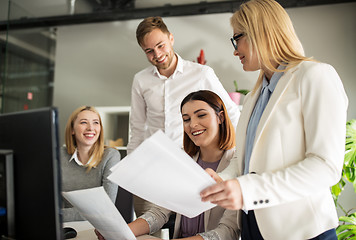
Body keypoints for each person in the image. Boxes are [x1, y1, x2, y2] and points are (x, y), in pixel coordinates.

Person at [200, 0, 349, 239]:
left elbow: (325, 166)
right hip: (253, 226)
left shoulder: (315, 76)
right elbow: (244, 160)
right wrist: (223, 179)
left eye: (236, 38)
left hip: (302, 231)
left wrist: (248, 189)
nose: (235, 50)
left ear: (261, 32)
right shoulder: (253, 98)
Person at [127, 16, 240, 216]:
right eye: (149, 51)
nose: (157, 54)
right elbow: (137, 129)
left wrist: (236, 157)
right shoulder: (140, 80)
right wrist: (131, 169)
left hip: (191, 167)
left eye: (161, 46)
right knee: (148, 223)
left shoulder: (201, 73)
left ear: (171, 38)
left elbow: (230, 112)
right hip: (153, 168)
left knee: (191, 224)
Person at [95, 90, 240, 240]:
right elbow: (159, 212)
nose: (193, 124)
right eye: (186, 119)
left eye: (201, 115)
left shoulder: (238, 163)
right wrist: (120, 232)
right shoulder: (183, 160)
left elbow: (228, 231)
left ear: (220, 117)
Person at [61, 106, 121, 222]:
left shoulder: (110, 156)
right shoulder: (59, 156)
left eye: (95, 123)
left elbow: (105, 209)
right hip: (68, 227)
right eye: (84, 122)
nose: (90, 128)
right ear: (72, 129)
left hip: (100, 227)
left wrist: (57, 215)